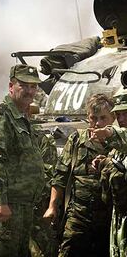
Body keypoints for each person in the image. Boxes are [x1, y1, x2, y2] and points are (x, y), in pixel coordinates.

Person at [0, 64, 45, 257]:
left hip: (24, 205)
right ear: (11, 86)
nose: (30, 91)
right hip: (8, 205)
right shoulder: (2, 115)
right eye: (24, 85)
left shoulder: (22, 117)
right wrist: (1, 201)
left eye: (33, 86)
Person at [43, 94, 115, 257]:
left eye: (103, 118)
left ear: (113, 118)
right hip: (77, 217)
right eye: (93, 118)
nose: (98, 123)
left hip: (107, 220)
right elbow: (61, 174)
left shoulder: (118, 143)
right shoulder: (77, 140)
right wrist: (52, 206)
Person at [88, 88, 127, 257]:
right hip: (118, 224)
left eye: (126, 114)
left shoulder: (117, 137)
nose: (122, 119)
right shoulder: (117, 148)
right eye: (118, 115)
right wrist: (106, 162)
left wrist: (110, 132)